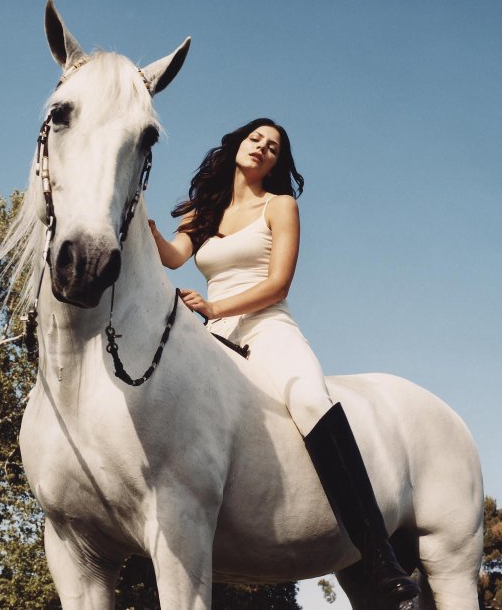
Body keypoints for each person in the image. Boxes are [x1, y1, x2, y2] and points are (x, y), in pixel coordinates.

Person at [148, 118, 419, 603]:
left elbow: (278, 285)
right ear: (237, 144)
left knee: (311, 400)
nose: (262, 149)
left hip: (267, 328)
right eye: (256, 139)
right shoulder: (204, 209)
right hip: (215, 337)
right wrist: (138, 221)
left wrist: (213, 307)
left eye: (273, 148)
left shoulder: (280, 205)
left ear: (277, 162)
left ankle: (379, 553)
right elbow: (172, 257)